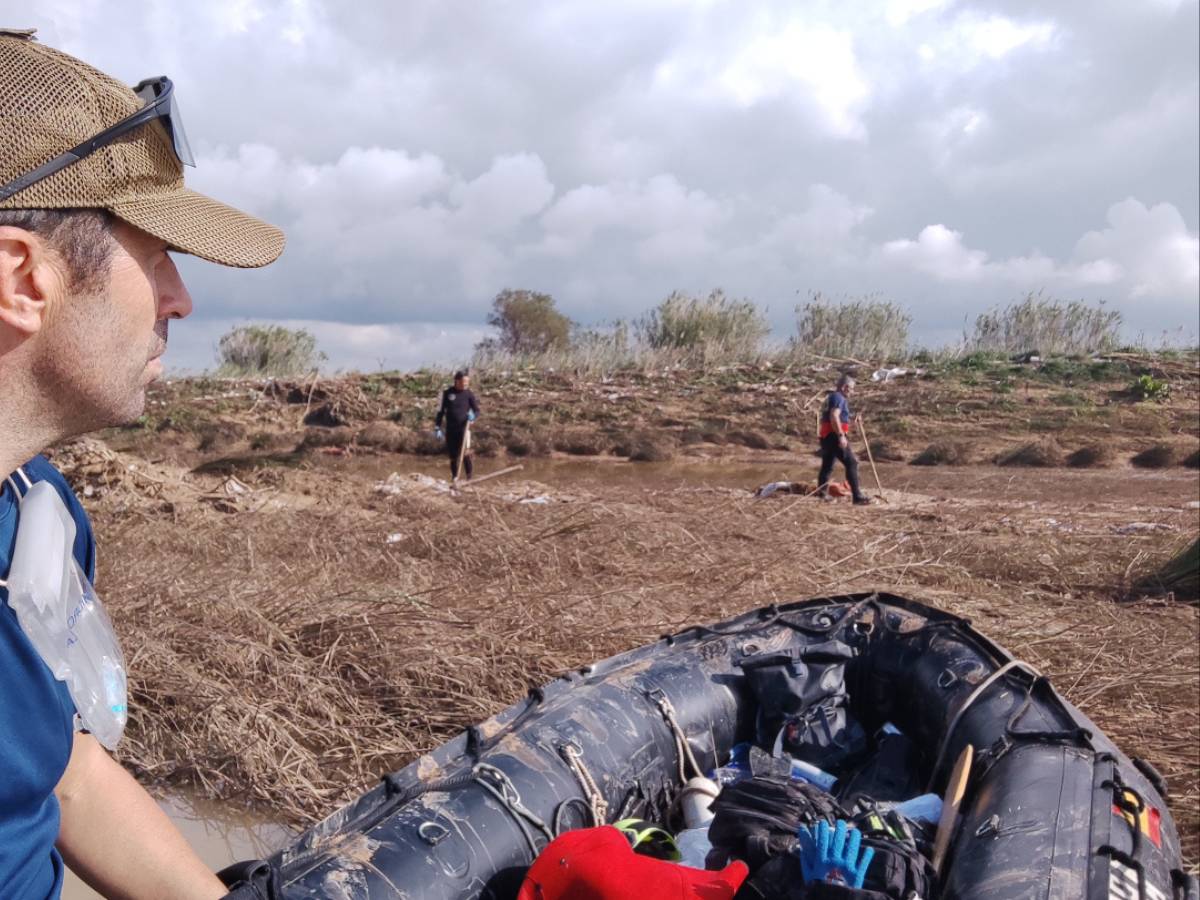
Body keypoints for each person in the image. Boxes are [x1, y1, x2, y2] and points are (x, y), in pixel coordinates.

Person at [1, 29, 283, 899]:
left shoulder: (34, 517)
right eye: (157, 257)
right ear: (21, 277)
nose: (181, 301)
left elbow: (62, 771)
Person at [816, 375, 872, 505]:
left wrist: (853, 423)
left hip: (827, 436)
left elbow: (839, 420)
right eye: (851, 389)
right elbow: (834, 416)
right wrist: (841, 435)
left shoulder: (833, 398)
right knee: (852, 463)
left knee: (827, 465)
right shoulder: (838, 397)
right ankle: (857, 496)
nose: (852, 392)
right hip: (833, 436)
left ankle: (822, 494)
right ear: (845, 387)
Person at [434, 369, 481, 481]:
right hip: (451, 429)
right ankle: (455, 477)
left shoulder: (469, 394)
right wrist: (437, 427)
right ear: (456, 381)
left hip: (464, 429)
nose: (465, 384)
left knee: (465, 453)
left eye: (467, 382)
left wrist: (473, 416)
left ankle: (469, 478)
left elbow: (477, 410)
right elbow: (440, 412)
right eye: (463, 382)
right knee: (453, 456)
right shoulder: (447, 393)